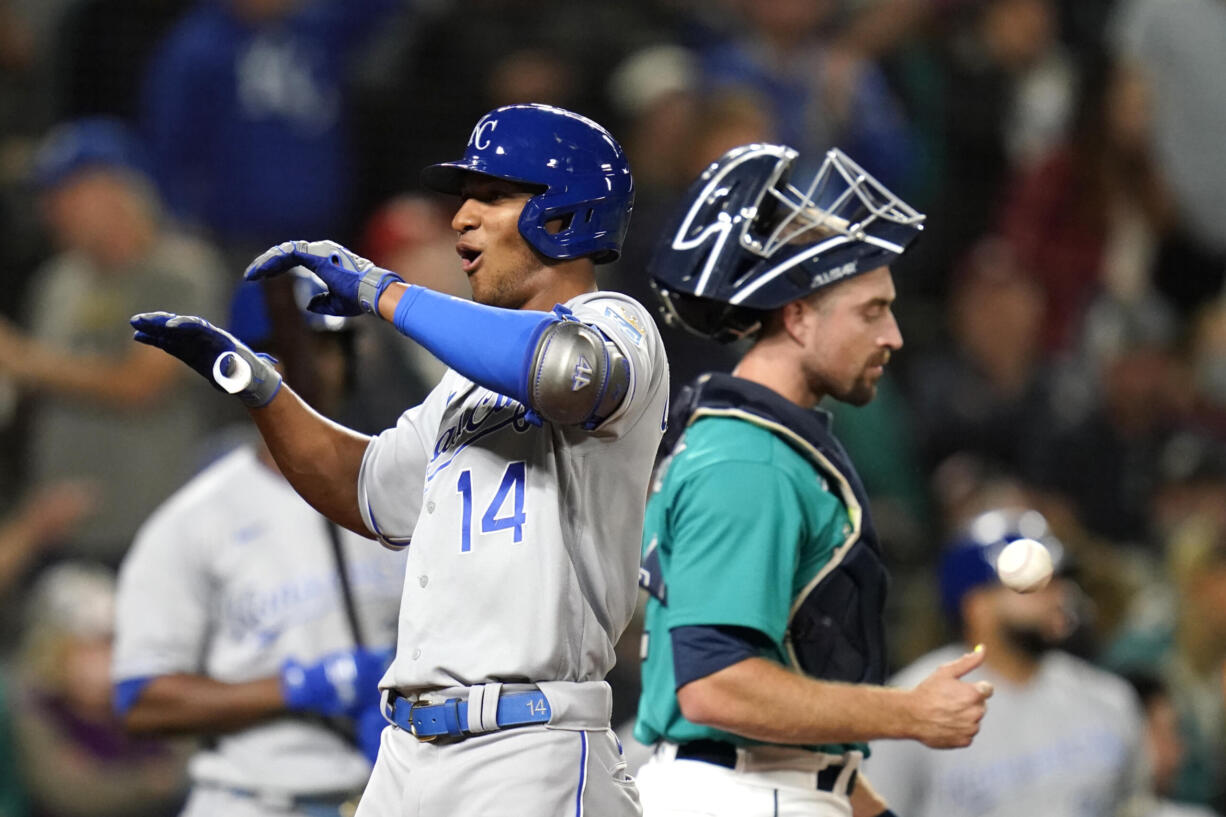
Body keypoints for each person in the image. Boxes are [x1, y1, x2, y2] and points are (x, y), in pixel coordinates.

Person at [129, 103, 669, 817]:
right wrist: (262, 390)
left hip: (527, 744)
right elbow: (364, 487)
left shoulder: (618, 325)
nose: (462, 218)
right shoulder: (463, 382)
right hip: (409, 753)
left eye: (493, 195)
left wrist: (384, 291)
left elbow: (562, 369)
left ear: (566, 214)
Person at [633, 142, 993, 817]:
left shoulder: (760, 446)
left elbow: (784, 716)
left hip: (762, 785)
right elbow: (715, 687)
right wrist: (908, 712)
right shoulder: (749, 462)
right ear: (796, 316)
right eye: (870, 309)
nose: (894, 334)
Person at [111, 274, 407, 817]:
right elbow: (142, 700)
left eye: (325, 348)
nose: (312, 370)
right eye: (290, 353)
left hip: (385, 799)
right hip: (253, 801)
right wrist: (299, 688)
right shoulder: (195, 520)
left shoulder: (399, 496)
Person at [0, 116, 226, 566]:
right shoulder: (57, 282)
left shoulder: (182, 273)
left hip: (150, 527)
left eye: (65, 194)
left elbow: (141, 384)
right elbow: (35, 390)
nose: (51, 210)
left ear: (115, 191)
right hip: (59, 529)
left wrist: (20, 358)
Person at [866, 507, 1145, 817]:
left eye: (1057, 580)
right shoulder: (912, 706)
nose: (1058, 594)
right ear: (976, 605)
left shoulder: (1107, 698)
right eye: (1033, 583)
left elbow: (1134, 807)